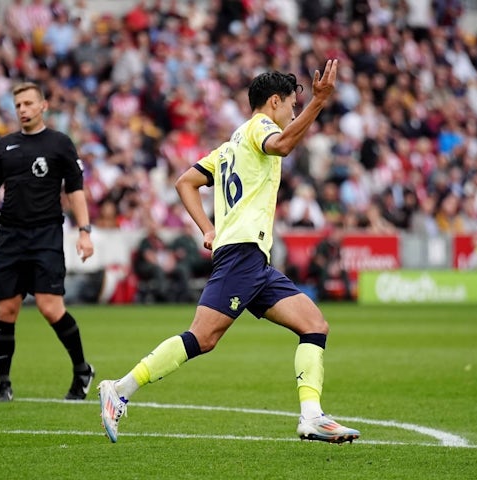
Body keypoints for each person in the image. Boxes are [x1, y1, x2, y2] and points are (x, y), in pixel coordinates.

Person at [97, 60, 360, 444]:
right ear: (274, 102)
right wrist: (318, 102)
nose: (292, 113)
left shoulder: (231, 143)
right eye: (291, 105)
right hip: (242, 253)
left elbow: (185, 181)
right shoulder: (261, 128)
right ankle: (119, 390)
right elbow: (284, 145)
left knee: (314, 325)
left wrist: (207, 228)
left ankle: (312, 416)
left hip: (254, 258)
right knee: (202, 338)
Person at [0, 82, 95, 402]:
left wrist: (84, 230)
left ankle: (82, 370)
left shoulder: (60, 144)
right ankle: (3, 384)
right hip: (9, 235)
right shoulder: (4, 146)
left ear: (43, 106)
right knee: (6, 310)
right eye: (18, 105)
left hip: (45, 234)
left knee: (51, 308)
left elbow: (75, 190)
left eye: (27, 103)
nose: (22, 109)